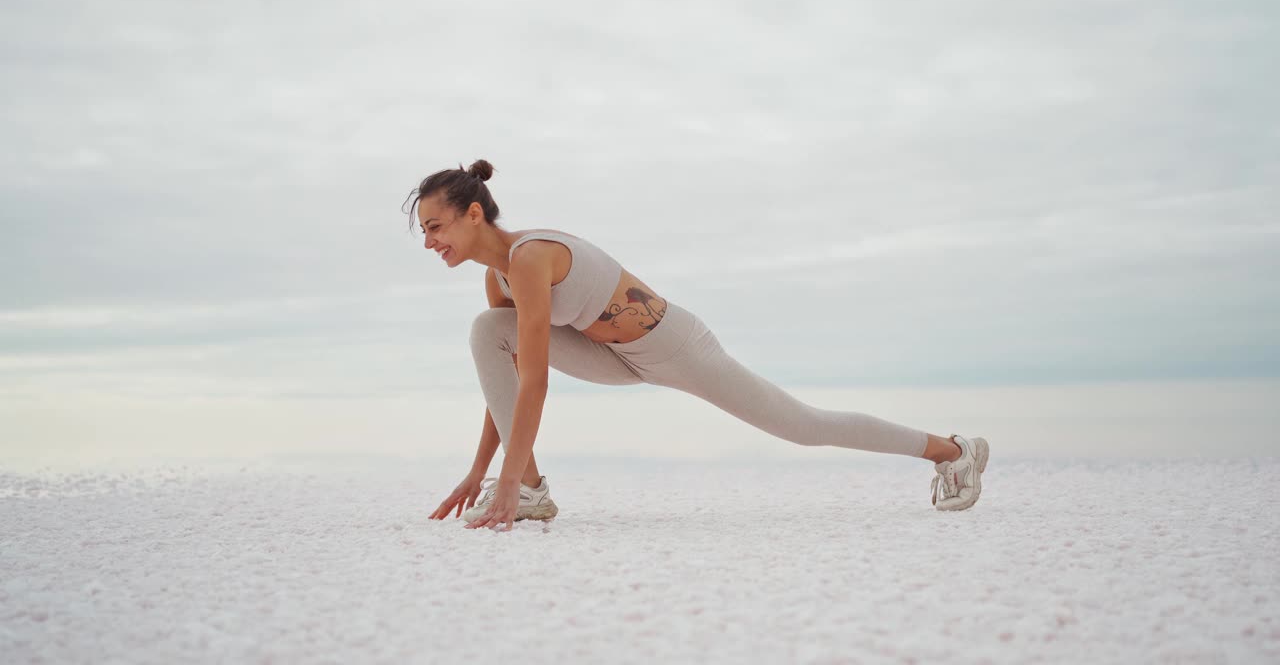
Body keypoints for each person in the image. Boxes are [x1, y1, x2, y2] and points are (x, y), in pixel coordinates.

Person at [409, 159, 989, 531]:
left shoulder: (529, 257)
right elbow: (506, 380)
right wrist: (481, 469)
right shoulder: (499, 278)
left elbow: (536, 377)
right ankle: (532, 492)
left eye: (436, 226)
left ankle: (953, 451)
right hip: (613, 356)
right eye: (426, 231)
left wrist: (500, 477)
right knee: (489, 331)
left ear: (474, 213)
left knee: (803, 425)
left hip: (676, 347)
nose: (431, 241)